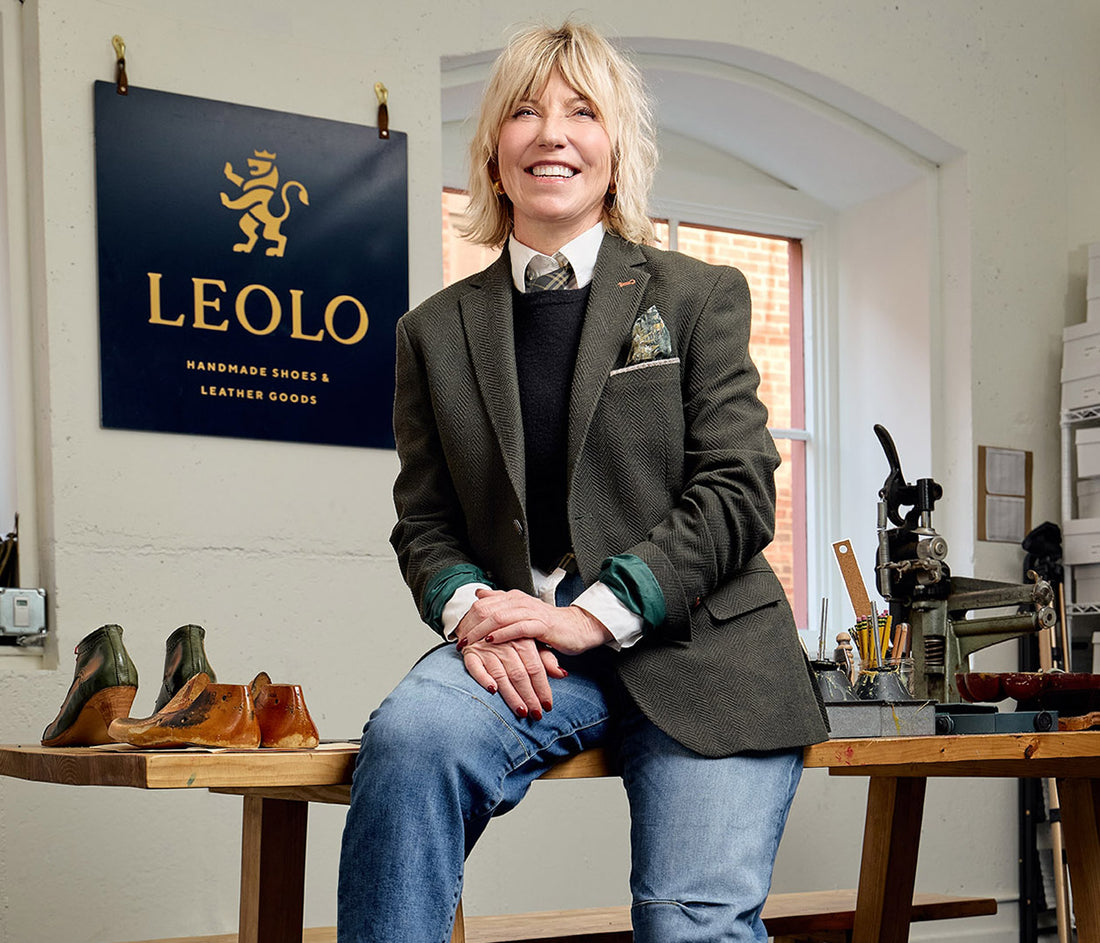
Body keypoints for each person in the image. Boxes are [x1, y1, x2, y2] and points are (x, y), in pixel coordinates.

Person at [338, 20, 828, 943]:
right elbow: (426, 523)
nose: (551, 133)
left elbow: (737, 491)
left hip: (706, 652)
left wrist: (593, 611)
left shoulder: (696, 296)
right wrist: (472, 614)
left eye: (580, 112)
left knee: (692, 927)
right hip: (532, 657)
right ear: (493, 153)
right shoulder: (431, 333)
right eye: (523, 112)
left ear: (616, 150)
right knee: (408, 741)